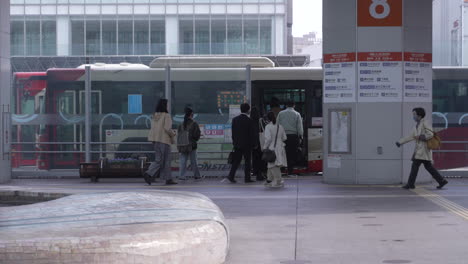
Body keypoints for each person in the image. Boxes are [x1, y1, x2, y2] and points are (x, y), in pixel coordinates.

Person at [396, 107, 448, 189]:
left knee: (415, 166)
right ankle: (441, 181)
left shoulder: (425, 123)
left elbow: (430, 134)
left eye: (414, 114)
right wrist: (400, 142)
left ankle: (410, 184)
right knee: (428, 167)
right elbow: (411, 136)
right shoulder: (416, 126)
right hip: (419, 150)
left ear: (419, 116)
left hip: (423, 150)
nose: (413, 116)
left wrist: (420, 137)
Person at [144, 99, 177, 185]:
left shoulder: (155, 116)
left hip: (156, 140)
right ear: (165, 105)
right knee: (165, 160)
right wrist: (173, 133)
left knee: (159, 159)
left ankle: (167, 178)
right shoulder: (167, 116)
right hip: (164, 140)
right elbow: (167, 128)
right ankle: (149, 173)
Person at [227, 103, 256, 183]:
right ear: (248, 110)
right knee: (247, 161)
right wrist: (254, 144)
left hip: (237, 144)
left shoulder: (235, 120)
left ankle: (231, 176)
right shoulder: (250, 121)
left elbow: (233, 133)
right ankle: (247, 178)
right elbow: (251, 134)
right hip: (247, 145)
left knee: (236, 161)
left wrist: (234, 142)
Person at [277, 100, 303, 176]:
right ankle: (290, 171)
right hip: (293, 137)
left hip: (282, 136)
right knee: (292, 154)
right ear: (294, 105)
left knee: (282, 153)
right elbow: (299, 127)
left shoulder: (281, 113)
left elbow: (277, 125)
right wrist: (300, 136)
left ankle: (282, 169)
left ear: (286, 105)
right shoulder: (297, 114)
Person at [177, 107, 202, 181]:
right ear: (191, 114)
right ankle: (197, 175)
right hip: (192, 145)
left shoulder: (181, 124)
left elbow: (179, 134)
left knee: (183, 161)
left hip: (183, 146)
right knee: (194, 161)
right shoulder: (194, 123)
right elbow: (197, 135)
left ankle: (182, 176)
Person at [264, 111, 287, 187]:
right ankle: (269, 180)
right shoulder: (280, 126)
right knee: (271, 164)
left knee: (273, 165)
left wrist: (264, 147)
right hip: (280, 147)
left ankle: (278, 181)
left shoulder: (268, 127)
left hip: (272, 148)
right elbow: (284, 138)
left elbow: (268, 139)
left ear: (267, 119)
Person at [250, 106, 267, 181]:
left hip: (253, 143)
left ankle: (255, 172)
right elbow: (264, 130)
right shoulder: (260, 120)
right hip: (260, 142)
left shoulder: (249, 121)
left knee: (255, 158)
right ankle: (260, 174)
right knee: (261, 158)